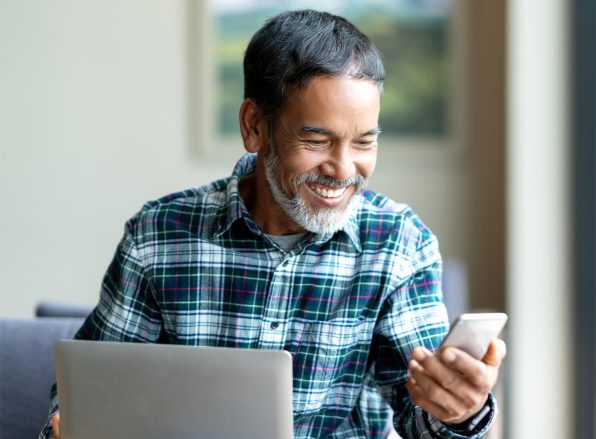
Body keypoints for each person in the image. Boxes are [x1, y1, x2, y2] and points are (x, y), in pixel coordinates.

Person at [40, 9, 505, 439]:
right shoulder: (158, 236)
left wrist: (459, 411)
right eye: (317, 139)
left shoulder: (399, 244)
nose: (343, 169)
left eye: (364, 142)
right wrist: (73, 425)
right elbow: (87, 392)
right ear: (254, 126)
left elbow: (421, 421)